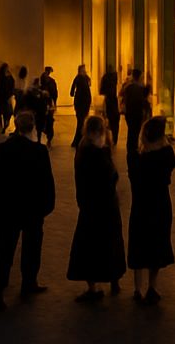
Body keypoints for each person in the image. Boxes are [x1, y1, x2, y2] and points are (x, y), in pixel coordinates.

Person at [0, 109, 55, 310]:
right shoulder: (39, 151)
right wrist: (47, 205)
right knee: (32, 247)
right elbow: (47, 181)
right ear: (33, 127)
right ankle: (29, 282)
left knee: (5, 249)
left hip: (7, 206)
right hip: (32, 206)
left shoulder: (3, 149)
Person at [67, 113, 127, 302]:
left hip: (90, 205)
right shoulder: (104, 151)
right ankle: (114, 279)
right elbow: (113, 177)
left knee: (89, 245)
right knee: (111, 241)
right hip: (108, 204)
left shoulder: (84, 151)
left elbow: (80, 179)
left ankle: (93, 286)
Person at [127, 115, 175, 305]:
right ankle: (152, 286)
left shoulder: (135, 158)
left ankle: (137, 288)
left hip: (140, 204)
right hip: (161, 203)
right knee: (158, 243)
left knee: (139, 244)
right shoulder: (166, 156)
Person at [121, 69, 151, 164]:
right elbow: (143, 96)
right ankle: (132, 148)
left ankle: (131, 148)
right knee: (135, 131)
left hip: (130, 113)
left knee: (132, 131)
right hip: (135, 113)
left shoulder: (129, 87)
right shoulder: (135, 88)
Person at [70, 65, 92, 149]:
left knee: (80, 121)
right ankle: (79, 140)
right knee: (81, 121)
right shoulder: (83, 79)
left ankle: (77, 140)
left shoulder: (78, 78)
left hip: (79, 101)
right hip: (83, 102)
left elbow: (72, 91)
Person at [99, 65, 120, 148]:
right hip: (113, 100)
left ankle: (108, 138)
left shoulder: (105, 77)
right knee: (115, 121)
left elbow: (102, 89)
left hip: (108, 100)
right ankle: (114, 138)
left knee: (108, 119)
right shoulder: (114, 76)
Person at [0, 64, 15, 132]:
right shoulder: (7, 78)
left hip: (0, 98)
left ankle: (2, 126)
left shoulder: (0, 78)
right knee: (7, 113)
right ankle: (5, 125)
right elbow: (12, 84)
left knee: (0, 113)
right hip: (5, 98)